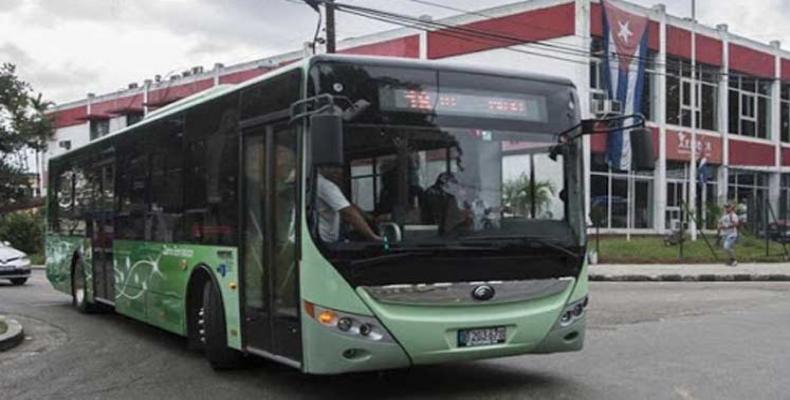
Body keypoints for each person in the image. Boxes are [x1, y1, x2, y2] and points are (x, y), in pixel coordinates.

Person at [317, 167, 382, 242]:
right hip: (325, 241)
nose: (339, 172)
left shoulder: (317, 182)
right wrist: (373, 237)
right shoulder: (325, 185)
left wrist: (370, 218)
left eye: (340, 169)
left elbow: (347, 204)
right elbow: (348, 213)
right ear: (323, 168)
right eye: (334, 168)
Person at [718, 202, 740, 267]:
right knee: (728, 248)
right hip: (725, 234)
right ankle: (730, 260)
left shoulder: (733, 215)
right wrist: (719, 227)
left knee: (726, 247)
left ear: (731, 208)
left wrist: (726, 226)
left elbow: (736, 224)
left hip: (732, 234)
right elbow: (720, 223)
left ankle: (734, 260)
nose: (726, 209)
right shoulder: (724, 216)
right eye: (726, 207)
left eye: (728, 207)